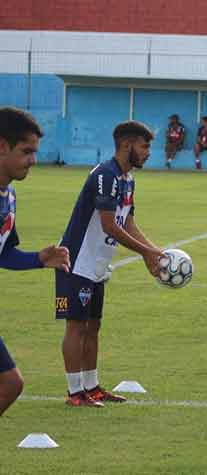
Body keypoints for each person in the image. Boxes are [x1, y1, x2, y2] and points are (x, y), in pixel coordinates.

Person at [56, 120, 165, 407]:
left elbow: (127, 221)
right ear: (127, 145)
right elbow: (109, 226)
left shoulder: (127, 179)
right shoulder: (106, 175)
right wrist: (145, 253)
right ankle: (74, 392)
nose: (148, 152)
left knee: (93, 326)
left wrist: (154, 252)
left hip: (98, 265)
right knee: (76, 326)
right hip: (77, 261)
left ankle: (91, 387)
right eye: (144, 146)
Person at [0, 107, 70, 416]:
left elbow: (4, 253)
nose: (33, 160)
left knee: (10, 385)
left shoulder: (9, 196)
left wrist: (39, 260)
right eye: (27, 151)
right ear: (2, 146)